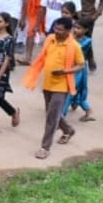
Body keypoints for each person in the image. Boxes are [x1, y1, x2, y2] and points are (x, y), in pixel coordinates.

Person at [23, 16, 84, 158]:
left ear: (68, 31)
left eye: (60, 30)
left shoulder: (74, 46)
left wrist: (65, 71)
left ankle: (45, 147)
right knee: (52, 113)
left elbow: (80, 65)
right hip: (48, 83)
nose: (56, 31)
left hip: (62, 86)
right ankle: (68, 130)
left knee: (51, 117)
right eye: (55, 28)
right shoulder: (50, 39)